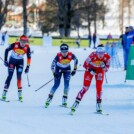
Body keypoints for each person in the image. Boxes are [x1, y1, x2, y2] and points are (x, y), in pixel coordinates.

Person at [70, 44, 110, 114]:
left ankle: (99, 106)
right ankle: (75, 103)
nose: (101, 55)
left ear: (104, 52)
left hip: (100, 71)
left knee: (99, 87)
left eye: (102, 53)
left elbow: (106, 70)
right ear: (96, 52)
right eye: (99, 53)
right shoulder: (92, 55)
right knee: (85, 87)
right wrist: (90, 70)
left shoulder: (107, 57)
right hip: (90, 71)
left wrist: (103, 67)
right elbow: (85, 64)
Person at [45, 43, 78, 108]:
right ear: (60, 51)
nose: (64, 53)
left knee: (66, 84)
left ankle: (64, 101)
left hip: (67, 70)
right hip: (58, 69)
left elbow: (76, 60)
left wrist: (74, 69)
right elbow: (52, 65)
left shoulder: (71, 55)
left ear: (67, 50)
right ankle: (49, 99)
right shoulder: (58, 56)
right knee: (56, 85)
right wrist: (54, 73)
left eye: (66, 51)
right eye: (62, 52)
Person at [1, 35, 31, 102]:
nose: (23, 43)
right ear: (20, 41)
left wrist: (28, 67)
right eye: (22, 41)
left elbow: (29, 58)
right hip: (12, 61)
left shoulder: (27, 47)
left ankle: (20, 95)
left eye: (25, 42)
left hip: (20, 62)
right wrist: (5, 60)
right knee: (10, 76)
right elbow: (6, 50)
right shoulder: (15, 44)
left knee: (19, 77)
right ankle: (4, 94)